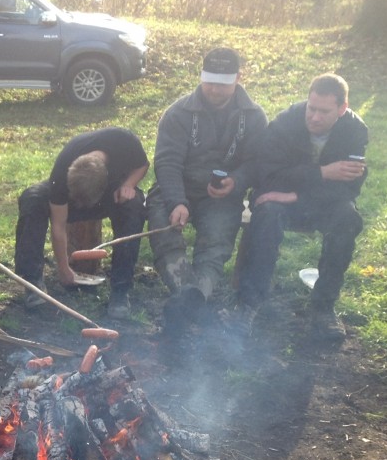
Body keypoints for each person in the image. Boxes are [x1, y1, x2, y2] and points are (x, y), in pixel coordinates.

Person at [232, 73, 368, 341]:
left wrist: (297, 195)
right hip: (278, 199)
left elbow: (350, 187)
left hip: (319, 202)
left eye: (324, 111)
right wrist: (322, 173)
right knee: (267, 213)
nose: (314, 117)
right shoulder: (285, 123)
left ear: (342, 108)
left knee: (348, 217)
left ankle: (323, 307)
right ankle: (249, 303)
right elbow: (267, 174)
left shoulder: (355, 130)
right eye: (311, 108)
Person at [146, 47, 268, 335]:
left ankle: (196, 295)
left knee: (215, 242)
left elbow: (258, 161)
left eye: (222, 83)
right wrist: (177, 201)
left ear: (238, 78)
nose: (214, 89)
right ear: (201, 77)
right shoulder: (178, 113)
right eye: (209, 81)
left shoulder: (253, 117)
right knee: (164, 232)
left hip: (222, 196)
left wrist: (236, 181)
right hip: (175, 187)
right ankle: (189, 295)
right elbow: (167, 161)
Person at [14, 127, 149, 319]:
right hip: (70, 195)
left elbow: (142, 165)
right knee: (32, 199)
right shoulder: (63, 171)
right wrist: (63, 268)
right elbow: (59, 226)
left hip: (113, 194)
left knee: (134, 207)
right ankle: (32, 282)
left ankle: (121, 289)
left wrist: (128, 184)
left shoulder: (125, 141)